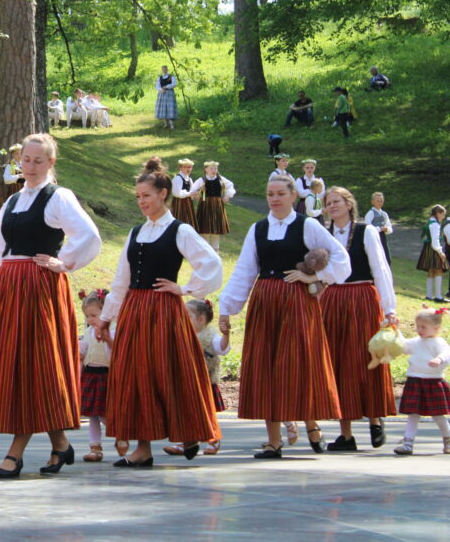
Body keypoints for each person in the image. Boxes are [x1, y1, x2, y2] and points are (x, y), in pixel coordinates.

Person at [0, 133, 101, 478]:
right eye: (26, 160)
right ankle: (60, 444)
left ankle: (15, 452)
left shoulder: (58, 196)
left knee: (36, 364)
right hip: (11, 287)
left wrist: (65, 262)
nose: (29, 167)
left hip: (40, 286)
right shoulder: (12, 201)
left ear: (51, 163)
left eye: (37, 161)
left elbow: (89, 236)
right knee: (22, 366)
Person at [98, 157, 223, 467]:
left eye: (147, 195)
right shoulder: (136, 232)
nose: (141, 201)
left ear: (163, 194)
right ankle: (143, 448)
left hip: (164, 311)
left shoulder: (179, 230)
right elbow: (122, 280)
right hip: (135, 311)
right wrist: (106, 317)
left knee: (171, 372)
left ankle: (188, 430)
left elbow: (211, 263)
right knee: (136, 375)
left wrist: (184, 288)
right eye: (138, 196)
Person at [218, 176, 351, 458]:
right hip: (265, 301)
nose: (275, 199)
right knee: (266, 366)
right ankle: (273, 440)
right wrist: (226, 308)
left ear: (292, 196)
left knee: (299, 363)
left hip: (297, 301)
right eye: (270, 194)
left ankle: (311, 422)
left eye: (280, 193)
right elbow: (244, 270)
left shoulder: (307, 225)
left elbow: (341, 259)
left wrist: (313, 276)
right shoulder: (258, 228)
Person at [320, 187, 397, 451]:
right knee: (338, 361)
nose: (332, 206)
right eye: (328, 202)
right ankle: (346, 434)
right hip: (333, 300)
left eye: (337, 201)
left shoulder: (367, 231)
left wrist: (390, 309)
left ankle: (375, 420)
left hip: (363, 297)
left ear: (349, 204)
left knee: (367, 356)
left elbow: (380, 269)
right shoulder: (324, 235)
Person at [163, 299, 230, 456]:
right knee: (186, 412)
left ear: (201, 319)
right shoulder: (182, 336)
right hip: (187, 381)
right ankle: (186, 441)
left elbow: (222, 348)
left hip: (205, 382)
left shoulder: (209, 337)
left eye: (187, 316)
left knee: (207, 412)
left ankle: (213, 438)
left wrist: (226, 335)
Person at [391, 308, 450, 455]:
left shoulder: (438, 342)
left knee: (438, 415)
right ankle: (408, 443)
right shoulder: (416, 342)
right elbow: (404, 346)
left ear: (436, 328)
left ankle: (448, 440)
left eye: (423, 327)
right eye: (418, 326)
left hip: (433, 382)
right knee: (413, 414)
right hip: (415, 381)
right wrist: (396, 330)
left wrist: (439, 359)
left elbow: (447, 353)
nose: (419, 330)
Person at [77, 289, 118, 462]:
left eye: (94, 315)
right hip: (90, 375)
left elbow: (116, 351)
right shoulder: (88, 333)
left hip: (106, 376)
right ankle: (95, 446)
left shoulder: (113, 330)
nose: (90, 320)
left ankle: (119, 432)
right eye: (87, 316)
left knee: (103, 412)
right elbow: (82, 352)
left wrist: (107, 338)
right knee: (92, 414)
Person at [191, 161, 235, 252]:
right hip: (205, 206)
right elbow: (192, 190)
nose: (214, 170)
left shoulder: (221, 179)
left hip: (217, 206)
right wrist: (195, 195)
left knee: (216, 231)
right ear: (206, 169)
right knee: (205, 230)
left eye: (215, 168)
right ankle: (205, 252)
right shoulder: (202, 180)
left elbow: (230, 186)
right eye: (211, 168)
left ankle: (215, 253)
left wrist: (227, 195)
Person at [418, 205, 448, 303]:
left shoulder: (430, 222)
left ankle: (429, 295)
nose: (443, 216)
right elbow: (435, 241)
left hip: (428, 248)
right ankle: (438, 296)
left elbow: (424, 237)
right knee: (439, 270)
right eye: (443, 214)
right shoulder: (435, 224)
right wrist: (440, 252)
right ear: (438, 213)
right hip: (434, 249)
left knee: (431, 271)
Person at [364, 192, 393, 265]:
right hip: (374, 237)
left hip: (382, 237)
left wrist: (387, 229)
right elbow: (367, 227)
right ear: (372, 202)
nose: (380, 203)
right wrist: (379, 229)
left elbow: (389, 227)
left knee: (387, 258)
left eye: (381, 201)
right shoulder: (370, 213)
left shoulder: (384, 214)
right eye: (378, 201)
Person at [171, 158, 197, 227]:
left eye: (190, 167)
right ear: (180, 168)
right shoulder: (178, 178)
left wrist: (195, 195)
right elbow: (177, 193)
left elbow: (192, 190)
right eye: (186, 167)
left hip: (188, 202)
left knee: (188, 220)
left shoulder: (189, 179)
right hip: (179, 203)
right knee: (180, 220)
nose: (188, 169)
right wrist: (189, 194)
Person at [154, 65, 178, 129]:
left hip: (170, 93)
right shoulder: (160, 78)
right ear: (162, 70)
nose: (164, 70)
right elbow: (157, 86)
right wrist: (161, 90)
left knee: (170, 108)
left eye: (165, 69)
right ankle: (165, 124)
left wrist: (166, 87)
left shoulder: (171, 77)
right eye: (163, 69)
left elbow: (174, 84)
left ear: (167, 70)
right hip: (162, 94)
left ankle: (171, 124)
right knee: (163, 108)